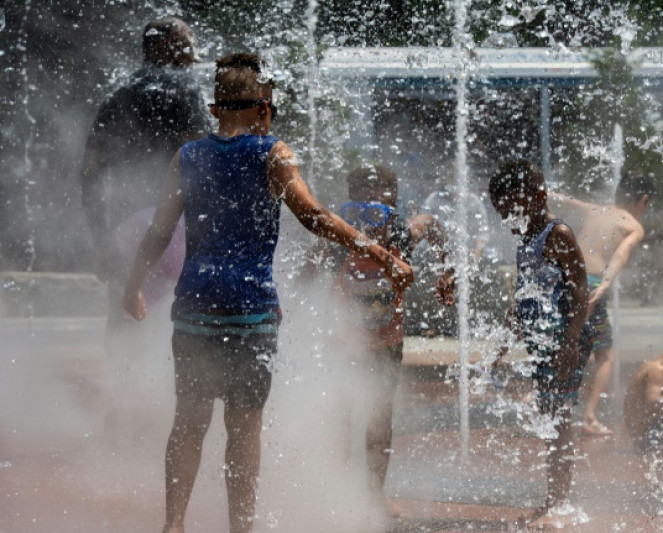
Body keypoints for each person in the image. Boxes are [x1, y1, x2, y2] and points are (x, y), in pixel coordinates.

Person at [122, 53, 413, 533]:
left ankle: (173, 525)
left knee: (189, 422)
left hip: (194, 309)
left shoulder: (187, 156)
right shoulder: (273, 153)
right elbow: (315, 217)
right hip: (250, 316)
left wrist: (132, 287)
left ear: (215, 109)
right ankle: (242, 528)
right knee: (243, 430)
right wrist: (381, 254)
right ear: (264, 110)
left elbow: (157, 231)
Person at [335, 165, 455, 518]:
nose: (368, 205)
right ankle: (337, 491)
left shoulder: (402, 233)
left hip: (387, 342)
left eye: (377, 196)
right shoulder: (338, 232)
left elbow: (432, 224)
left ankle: (374, 496)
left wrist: (448, 270)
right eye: (359, 194)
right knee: (342, 416)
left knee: (380, 418)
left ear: (394, 197)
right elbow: (309, 266)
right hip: (344, 342)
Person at [81, 17, 211, 322]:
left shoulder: (117, 95)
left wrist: (101, 239)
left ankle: (121, 370)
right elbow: (206, 162)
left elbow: (90, 174)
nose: (194, 55)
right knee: (178, 328)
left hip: (125, 227)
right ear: (166, 47)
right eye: (187, 44)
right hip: (174, 230)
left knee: (125, 319)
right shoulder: (185, 90)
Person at [488, 159, 591, 529]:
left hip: (565, 336)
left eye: (513, 208)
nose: (508, 218)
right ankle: (554, 498)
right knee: (550, 415)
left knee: (559, 418)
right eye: (502, 213)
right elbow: (525, 295)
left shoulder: (556, 233)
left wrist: (571, 342)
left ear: (538, 196)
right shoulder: (527, 237)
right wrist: (501, 347)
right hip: (544, 338)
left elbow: (581, 289)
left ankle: (559, 504)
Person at [548, 174, 655, 436]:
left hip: (563, 276)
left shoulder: (597, 210)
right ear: (644, 200)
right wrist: (605, 284)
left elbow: (566, 201)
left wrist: (541, 192)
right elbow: (621, 254)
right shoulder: (634, 226)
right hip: (591, 283)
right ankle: (589, 417)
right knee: (605, 354)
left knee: (565, 337)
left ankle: (545, 400)